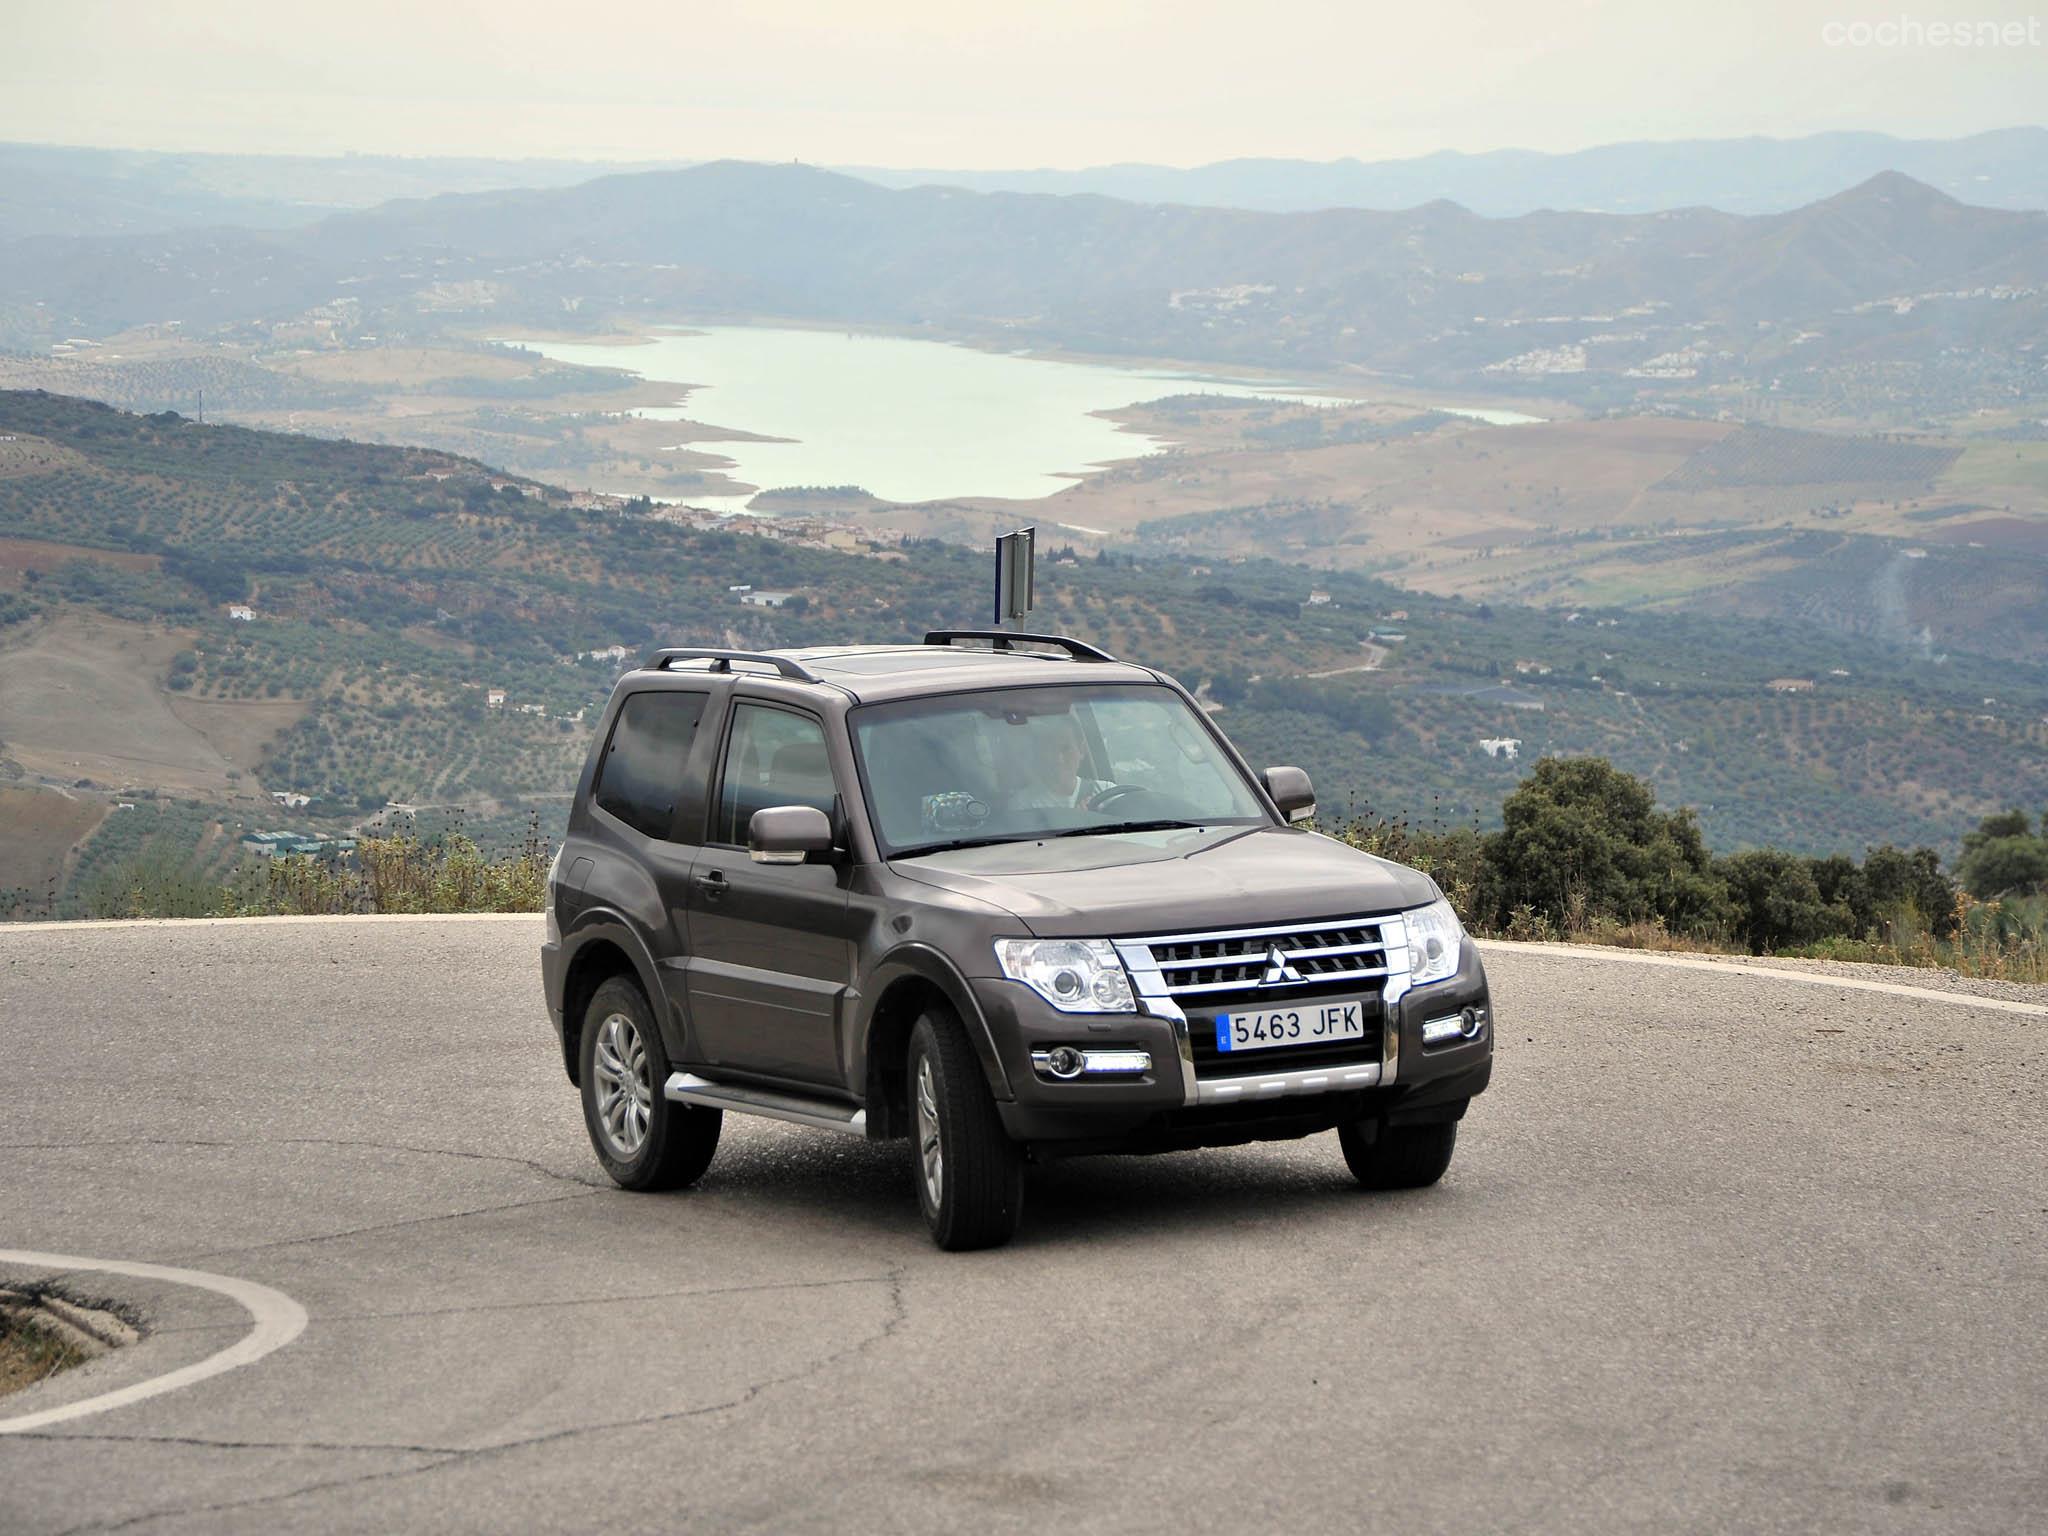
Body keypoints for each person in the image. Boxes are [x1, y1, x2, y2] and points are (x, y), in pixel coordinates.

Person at [1013, 714, 1113, 812]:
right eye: (1050, 750)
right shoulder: (1024, 804)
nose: (1058, 759)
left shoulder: (1107, 793)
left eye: (1066, 749)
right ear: (1040, 754)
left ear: (1081, 750)